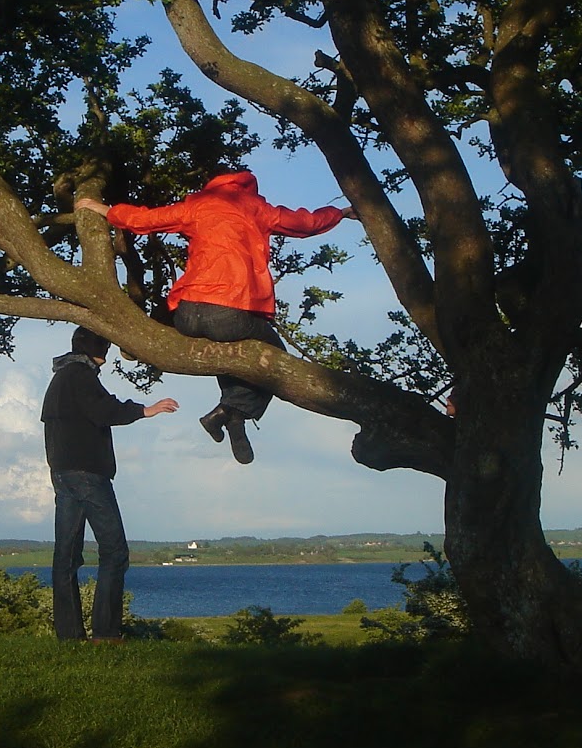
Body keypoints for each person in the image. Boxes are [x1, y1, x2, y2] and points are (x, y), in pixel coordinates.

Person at [77, 170, 355, 464]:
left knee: (232, 351)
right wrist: (341, 212)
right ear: (247, 188)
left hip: (186, 315)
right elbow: (306, 223)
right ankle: (230, 411)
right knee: (272, 355)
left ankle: (232, 418)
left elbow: (145, 219)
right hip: (228, 313)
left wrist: (102, 209)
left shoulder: (198, 205)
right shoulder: (256, 208)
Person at [41, 327, 178, 642]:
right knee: (115, 551)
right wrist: (146, 410)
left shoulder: (60, 378)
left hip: (61, 474)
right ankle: (105, 633)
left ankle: (69, 635)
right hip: (88, 474)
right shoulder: (81, 376)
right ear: (96, 349)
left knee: (66, 556)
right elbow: (105, 410)